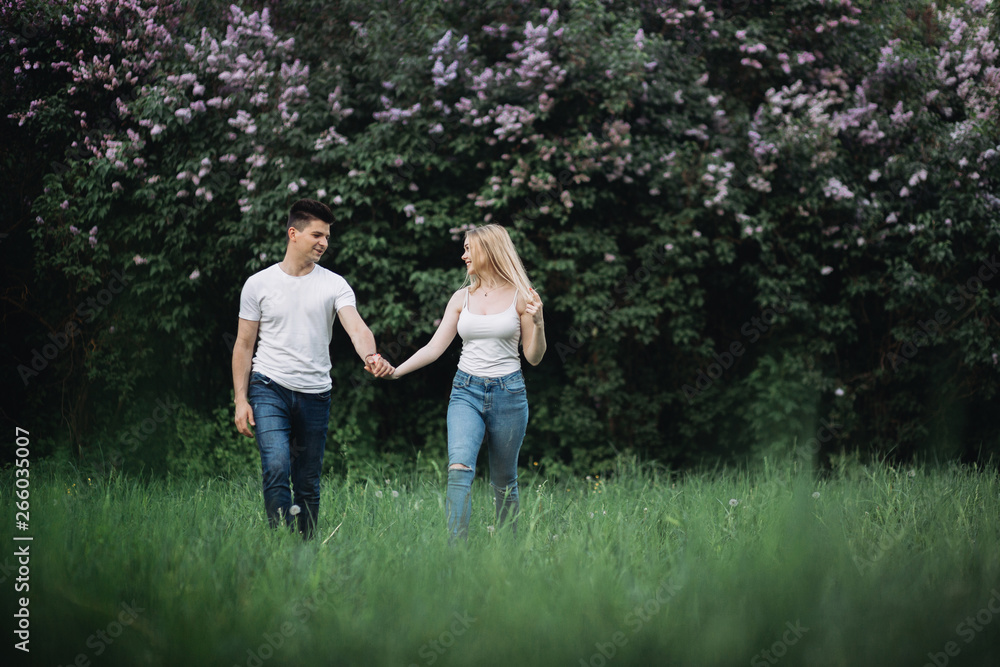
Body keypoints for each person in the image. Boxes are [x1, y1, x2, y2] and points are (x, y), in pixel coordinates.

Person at [232, 198, 393, 539]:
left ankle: (303, 551)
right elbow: (244, 345)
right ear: (294, 233)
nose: (324, 243)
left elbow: (357, 327)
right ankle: (280, 542)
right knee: (276, 466)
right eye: (318, 235)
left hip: (315, 394)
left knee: (307, 481)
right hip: (268, 386)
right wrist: (240, 399)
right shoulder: (258, 284)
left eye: (327, 237)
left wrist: (371, 356)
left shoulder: (334, 284)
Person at [387, 224, 545, 541]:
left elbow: (534, 356)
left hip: (509, 394)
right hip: (466, 392)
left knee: (504, 480)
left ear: (488, 251)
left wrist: (538, 323)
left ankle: (509, 556)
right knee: (458, 470)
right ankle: (455, 554)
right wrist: (395, 371)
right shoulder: (461, 298)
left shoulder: (521, 297)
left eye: (468, 249)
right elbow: (434, 348)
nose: (463, 256)